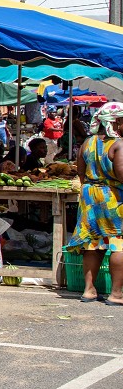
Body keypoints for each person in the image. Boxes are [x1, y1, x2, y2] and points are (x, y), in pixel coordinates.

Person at [66, 102, 123, 304]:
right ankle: (116, 294)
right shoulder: (118, 144)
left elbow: (80, 172)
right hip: (113, 197)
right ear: (114, 122)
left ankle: (89, 290)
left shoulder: (87, 143)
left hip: (89, 195)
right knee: (118, 244)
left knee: (92, 244)